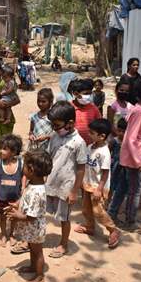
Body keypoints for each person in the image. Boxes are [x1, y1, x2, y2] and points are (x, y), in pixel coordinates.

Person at [108, 79, 141, 234]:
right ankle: (130, 221)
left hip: (130, 158)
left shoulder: (139, 110)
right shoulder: (138, 112)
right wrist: (139, 162)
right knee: (135, 191)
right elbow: (130, 138)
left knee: (123, 188)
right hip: (133, 161)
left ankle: (112, 213)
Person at [45, 101, 87, 258]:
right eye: (53, 125)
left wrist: (75, 191)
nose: (54, 128)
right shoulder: (54, 137)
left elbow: (81, 169)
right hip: (50, 183)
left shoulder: (79, 143)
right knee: (40, 212)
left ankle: (64, 244)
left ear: (70, 123)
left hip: (66, 188)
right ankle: (34, 238)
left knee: (64, 217)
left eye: (56, 125)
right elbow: (49, 158)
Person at [5, 150, 53, 282]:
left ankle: (39, 276)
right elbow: (25, 197)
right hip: (30, 229)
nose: (22, 168)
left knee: (37, 252)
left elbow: (31, 217)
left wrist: (16, 215)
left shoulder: (38, 192)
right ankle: (33, 267)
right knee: (32, 249)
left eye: (24, 166)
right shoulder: (32, 183)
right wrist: (17, 204)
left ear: (31, 170)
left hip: (35, 228)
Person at [75, 119, 121, 249]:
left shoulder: (104, 152)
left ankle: (113, 230)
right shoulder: (90, 147)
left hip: (98, 187)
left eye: (92, 133)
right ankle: (90, 227)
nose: (89, 134)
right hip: (88, 184)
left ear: (102, 136)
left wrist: (99, 189)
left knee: (98, 211)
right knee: (86, 208)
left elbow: (105, 173)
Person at [71, 79, 102, 145]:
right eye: (86, 94)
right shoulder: (69, 108)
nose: (89, 96)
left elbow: (100, 125)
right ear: (76, 94)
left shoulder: (94, 108)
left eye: (90, 94)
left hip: (89, 145)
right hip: (72, 144)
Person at [109, 118, 128, 207]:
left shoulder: (129, 142)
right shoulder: (114, 141)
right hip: (113, 167)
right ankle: (108, 201)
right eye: (119, 131)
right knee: (111, 185)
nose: (121, 133)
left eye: (123, 132)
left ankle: (118, 205)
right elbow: (108, 153)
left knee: (121, 186)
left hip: (124, 167)